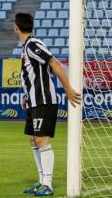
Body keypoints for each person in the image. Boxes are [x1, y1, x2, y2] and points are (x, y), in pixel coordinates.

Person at [14, 13, 81, 196]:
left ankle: (48, 184)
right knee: (33, 140)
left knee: (42, 140)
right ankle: (42, 180)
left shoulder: (33, 45)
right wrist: (26, 96)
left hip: (44, 100)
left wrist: (67, 89)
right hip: (33, 100)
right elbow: (32, 75)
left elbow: (55, 64)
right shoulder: (28, 46)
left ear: (16, 28)